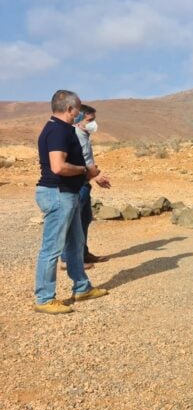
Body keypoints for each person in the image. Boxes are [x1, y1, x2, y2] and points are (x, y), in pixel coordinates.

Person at [34, 90, 109, 314]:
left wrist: (89, 175)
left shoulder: (63, 130)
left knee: (76, 244)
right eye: (77, 108)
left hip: (69, 193)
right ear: (69, 109)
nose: (79, 112)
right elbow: (58, 167)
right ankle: (44, 298)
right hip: (58, 193)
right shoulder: (57, 131)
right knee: (52, 248)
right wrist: (86, 170)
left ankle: (82, 287)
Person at [59, 104, 111, 270]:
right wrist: (93, 174)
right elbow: (72, 161)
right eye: (90, 120)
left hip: (84, 183)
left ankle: (82, 253)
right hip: (75, 184)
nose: (93, 123)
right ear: (80, 118)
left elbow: (86, 159)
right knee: (74, 222)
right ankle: (69, 259)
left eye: (94, 120)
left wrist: (94, 176)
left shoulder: (84, 135)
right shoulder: (74, 135)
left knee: (85, 219)